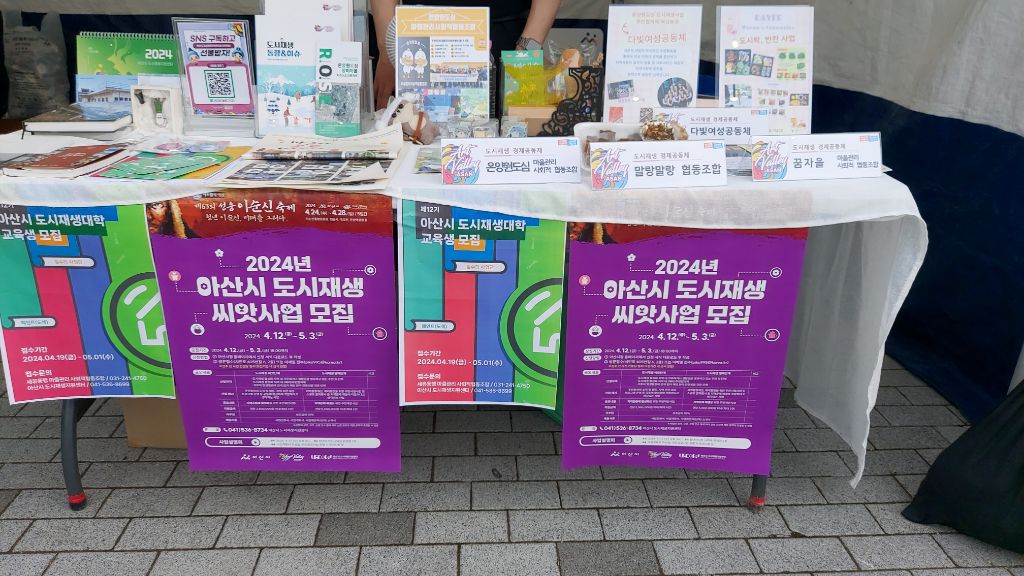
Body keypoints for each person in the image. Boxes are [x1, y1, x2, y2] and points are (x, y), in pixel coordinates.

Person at [371, 0, 562, 109]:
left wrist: (526, 50)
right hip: (416, 38)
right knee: (412, 134)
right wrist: (387, 50)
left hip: (510, 40)